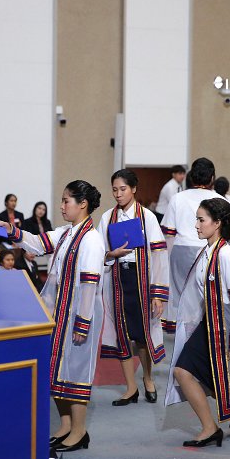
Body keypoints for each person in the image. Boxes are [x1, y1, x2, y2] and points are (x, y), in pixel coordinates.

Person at [0, 180, 104, 453]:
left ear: (83, 204)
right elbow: (36, 242)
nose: (61, 205)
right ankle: (66, 426)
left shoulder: (91, 238)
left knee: (76, 371)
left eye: (66, 200)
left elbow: (90, 284)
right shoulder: (67, 233)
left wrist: (82, 322)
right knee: (57, 370)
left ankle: (80, 432)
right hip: (60, 311)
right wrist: (10, 229)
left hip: (80, 313)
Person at [165, 198, 230, 447]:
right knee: (185, 371)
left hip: (226, 326)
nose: (196, 225)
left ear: (218, 223)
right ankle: (212, 426)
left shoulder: (228, 256)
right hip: (208, 323)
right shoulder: (207, 251)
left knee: (210, 375)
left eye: (201, 220)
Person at [98, 169, 169, 405]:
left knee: (142, 334)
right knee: (122, 334)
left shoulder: (148, 217)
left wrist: (157, 293)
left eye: (123, 189)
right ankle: (130, 387)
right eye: (115, 190)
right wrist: (110, 254)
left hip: (143, 281)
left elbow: (159, 255)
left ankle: (147, 378)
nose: (118, 194)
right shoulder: (107, 217)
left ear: (134, 189)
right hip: (117, 280)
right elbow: (99, 252)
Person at [160, 158, 230, 333]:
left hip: (181, 251)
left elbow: (169, 235)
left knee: (183, 297)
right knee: (210, 297)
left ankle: (184, 333)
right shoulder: (220, 199)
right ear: (212, 177)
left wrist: (167, 263)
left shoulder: (177, 198)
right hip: (212, 251)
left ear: (190, 176)